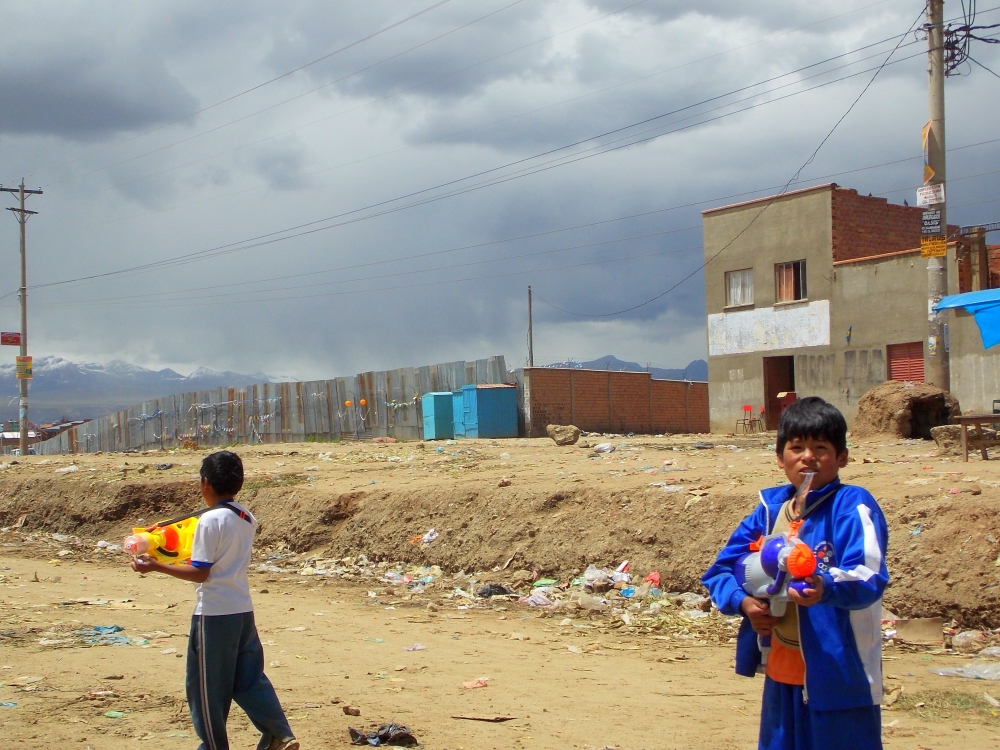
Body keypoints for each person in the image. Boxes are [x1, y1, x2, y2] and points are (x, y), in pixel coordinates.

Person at [702, 397, 889, 750]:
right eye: (797, 447)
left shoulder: (852, 506)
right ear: (779, 457)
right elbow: (721, 569)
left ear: (842, 457)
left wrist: (826, 585)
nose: (808, 457)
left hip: (840, 673)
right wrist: (744, 603)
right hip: (781, 670)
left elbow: (870, 575)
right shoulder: (769, 513)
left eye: (820, 447)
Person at [129, 450, 299, 750]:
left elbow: (200, 572)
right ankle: (278, 733)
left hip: (214, 615)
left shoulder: (210, 521)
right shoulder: (246, 517)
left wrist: (155, 565)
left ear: (205, 483)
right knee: (248, 679)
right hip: (242, 610)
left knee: (206, 690)